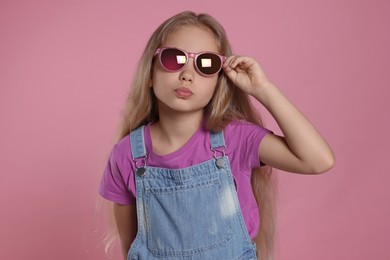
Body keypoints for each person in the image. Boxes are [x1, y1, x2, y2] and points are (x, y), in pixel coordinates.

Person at [99, 11, 334, 260]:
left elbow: (318, 160)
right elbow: (130, 246)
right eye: (173, 59)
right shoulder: (127, 156)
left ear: (219, 81)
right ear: (149, 73)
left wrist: (263, 90)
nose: (187, 75)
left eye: (206, 64)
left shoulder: (236, 140)